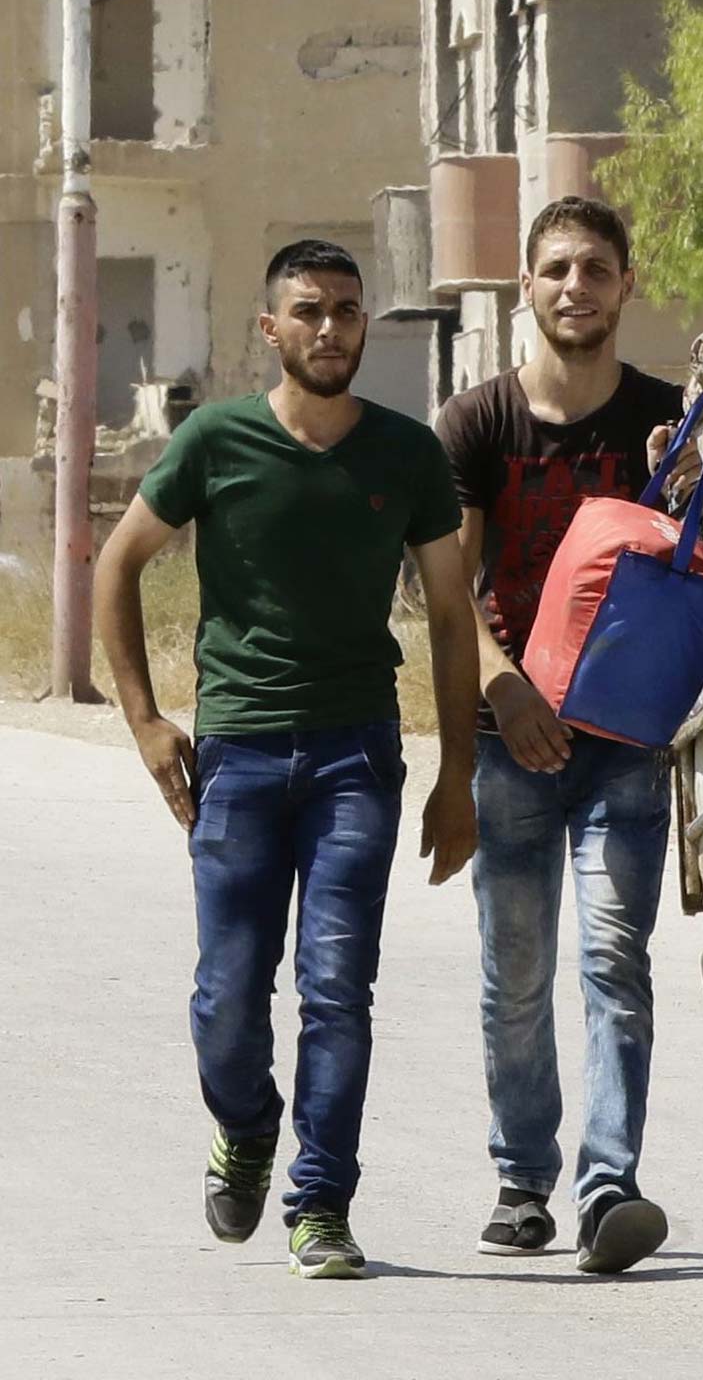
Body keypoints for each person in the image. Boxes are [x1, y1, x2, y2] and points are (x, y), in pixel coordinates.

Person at [95, 239, 479, 1279]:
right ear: (271, 329)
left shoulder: (404, 455)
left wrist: (458, 776)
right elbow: (115, 564)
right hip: (238, 757)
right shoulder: (215, 441)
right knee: (227, 995)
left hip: (357, 756)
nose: (329, 328)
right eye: (307, 311)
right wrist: (142, 719)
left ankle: (322, 1203)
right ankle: (249, 1124)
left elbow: (451, 616)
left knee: (337, 989)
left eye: (347, 311)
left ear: (365, 325)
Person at [433, 195, 685, 1274]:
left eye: (594, 268)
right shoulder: (476, 424)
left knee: (613, 958)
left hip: (626, 741)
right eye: (555, 270)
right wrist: (504, 689)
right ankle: (520, 1179)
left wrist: (692, 477)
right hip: (509, 743)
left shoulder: (668, 420)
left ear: (626, 284)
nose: (574, 286)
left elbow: (702, 572)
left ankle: (607, 1185)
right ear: (525, 289)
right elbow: (445, 591)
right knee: (516, 970)